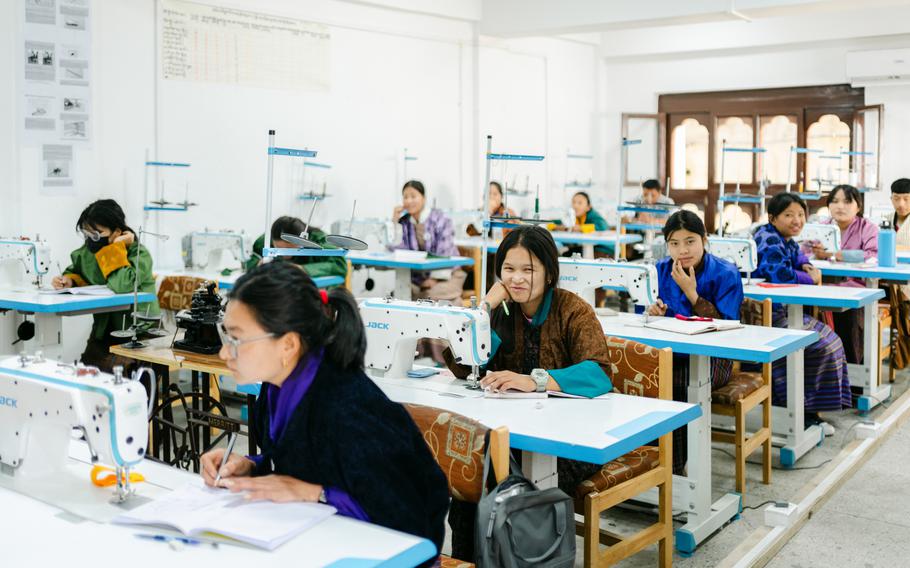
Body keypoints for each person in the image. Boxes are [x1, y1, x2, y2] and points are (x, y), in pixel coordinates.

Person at [200, 262, 449, 562]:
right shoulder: (276, 386)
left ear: (288, 344)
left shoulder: (348, 409)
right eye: (225, 336)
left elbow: (409, 521)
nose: (224, 353)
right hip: (324, 539)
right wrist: (253, 465)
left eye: (236, 339)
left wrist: (313, 493)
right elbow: (309, 462)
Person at [443, 224, 613, 561]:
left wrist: (534, 380)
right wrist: (485, 308)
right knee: (470, 481)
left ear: (549, 273)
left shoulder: (573, 310)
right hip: (514, 434)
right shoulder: (503, 312)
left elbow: (599, 373)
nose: (516, 279)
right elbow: (464, 366)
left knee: (504, 482)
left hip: (569, 440)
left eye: (528, 270)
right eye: (508, 269)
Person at [647, 210, 743, 473]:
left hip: (713, 359)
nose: (683, 250)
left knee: (676, 385)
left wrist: (692, 293)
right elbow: (643, 313)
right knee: (640, 380)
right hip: (670, 353)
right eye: (674, 243)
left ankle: (673, 470)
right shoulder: (659, 270)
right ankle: (647, 465)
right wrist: (651, 312)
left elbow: (727, 327)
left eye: (690, 241)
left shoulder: (725, 273)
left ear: (704, 240)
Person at [752, 192, 850, 434]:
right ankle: (800, 413)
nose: (797, 220)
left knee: (830, 341)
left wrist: (807, 267)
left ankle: (809, 411)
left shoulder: (785, 239)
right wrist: (810, 276)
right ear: (773, 217)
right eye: (789, 215)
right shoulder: (768, 239)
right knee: (821, 346)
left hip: (781, 310)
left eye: (800, 214)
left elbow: (800, 258)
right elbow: (781, 276)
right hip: (763, 315)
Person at [51, 199, 159, 371]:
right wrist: (68, 280)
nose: (91, 240)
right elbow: (78, 269)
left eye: (96, 234)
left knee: (119, 376)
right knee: (88, 372)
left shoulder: (139, 254)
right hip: (104, 329)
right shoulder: (89, 252)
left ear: (116, 232)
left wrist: (116, 248)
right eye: (87, 233)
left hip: (139, 331)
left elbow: (122, 284)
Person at [808, 185, 878, 364]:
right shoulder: (820, 227)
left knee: (847, 315)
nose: (840, 206)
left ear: (858, 206)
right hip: (824, 286)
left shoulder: (867, 228)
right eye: (835, 201)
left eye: (847, 202)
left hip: (856, 287)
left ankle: (851, 367)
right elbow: (804, 253)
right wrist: (815, 253)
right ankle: (818, 365)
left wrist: (834, 254)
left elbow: (872, 255)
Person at [391, 180, 466, 301]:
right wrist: (394, 223)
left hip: (448, 275)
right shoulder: (404, 223)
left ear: (424, 199)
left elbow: (445, 253)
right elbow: (397, 251)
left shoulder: (441, 219)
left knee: (421, 297)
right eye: (405, 197)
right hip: (420, 280)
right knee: (399, 293)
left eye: (413, 196)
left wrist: (435, 279)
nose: (409, 201)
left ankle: (413, 299)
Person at [244, 216, 347, 280]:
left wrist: (303, 269)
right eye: (279, 248)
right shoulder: (265, 241)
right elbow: (249, 260)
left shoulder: (320, 240)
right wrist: (258, 264)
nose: (285, 254)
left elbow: (339, 266)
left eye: (290, 248)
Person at [891, 178, 910, 300]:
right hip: (889, 277)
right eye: (896, 199)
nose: (901, 204)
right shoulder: (883, 221)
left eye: (906, 199)